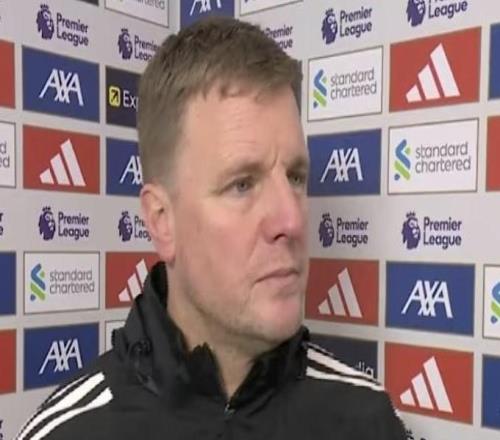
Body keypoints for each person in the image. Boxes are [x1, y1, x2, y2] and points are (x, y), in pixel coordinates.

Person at [16, 17, 407, 440]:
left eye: (295, 177)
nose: (291, 221)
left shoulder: (366, 420)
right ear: (162, 221)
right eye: (242, 185)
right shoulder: (69, 433)